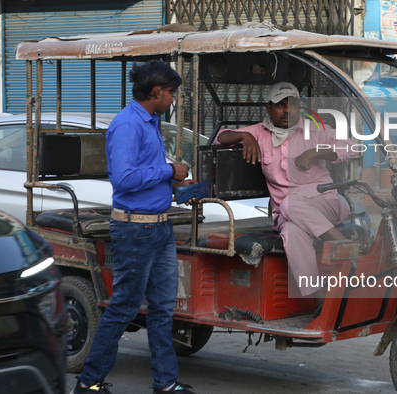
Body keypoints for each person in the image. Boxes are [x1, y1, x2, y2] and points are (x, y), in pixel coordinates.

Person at [74, 61, 196, 394]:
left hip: (159, 228)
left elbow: (145, 174)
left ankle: (165, 383)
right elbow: (124, 179)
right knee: (125, 305)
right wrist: (170, 171)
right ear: (157, 92)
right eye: (171, 93)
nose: (173, 99)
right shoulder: (128, 125)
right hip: (136, 231)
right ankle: (88, 383)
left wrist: (176, 185)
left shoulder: (150, 121)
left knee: (162, 308)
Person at [217, 82, 356, 316]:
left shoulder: (314, 130)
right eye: (280, 105)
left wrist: (316, 152)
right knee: (291, 231)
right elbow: (220, 137)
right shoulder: (259, 132)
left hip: (324, 203)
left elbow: (352, 146)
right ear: (269, 109)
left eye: (292, 105)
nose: (287, 111)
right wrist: (244, 136)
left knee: (290, 204)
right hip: (287, 213)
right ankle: (319, 300)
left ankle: (341, 242)